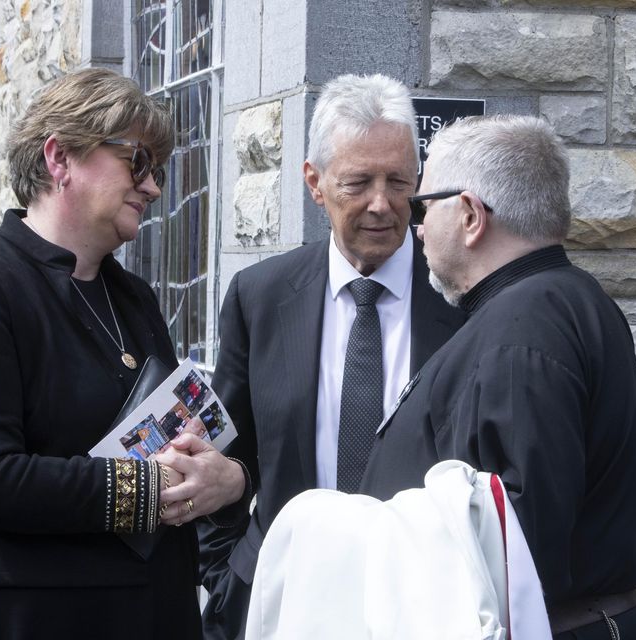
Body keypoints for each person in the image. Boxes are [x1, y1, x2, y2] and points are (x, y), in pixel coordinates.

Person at [0, 67, 224, 639]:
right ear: (59, 159)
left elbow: (177, 433)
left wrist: (222, 480)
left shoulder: (135, 298)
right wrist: (148, 488)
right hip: (35, 613)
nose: (153, 187)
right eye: (138, 161)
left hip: (154, 610)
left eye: (158, 170)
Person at [183, 73, 465, 639]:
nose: (382, 205)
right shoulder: (260, 297)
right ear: (314, 182)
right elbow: (232, 456)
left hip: (423, 605)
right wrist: (227, 580)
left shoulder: (460, 299)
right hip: (286, 598)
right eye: (358, 182)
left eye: (399, 181)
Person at [360, 115, 636, 638]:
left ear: (471, 215)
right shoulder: (554, 304)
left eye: (426, 206)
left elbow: (517, 547)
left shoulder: (525, 330)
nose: (419, 227)